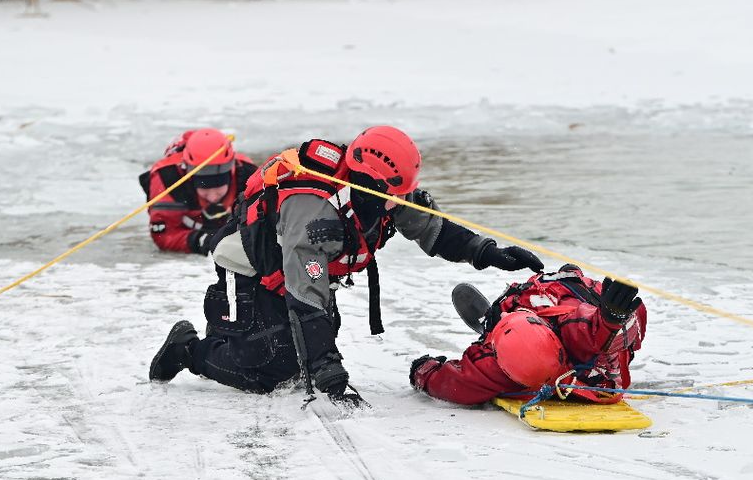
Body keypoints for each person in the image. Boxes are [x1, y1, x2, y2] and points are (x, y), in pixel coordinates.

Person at [148, 125, 545, 402]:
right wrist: (330, 373)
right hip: (252, 268)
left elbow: (432, 229)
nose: (401, 201)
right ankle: (187, 350)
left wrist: (489, 253)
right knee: (268, 366)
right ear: (371, 184)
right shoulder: (316, 214)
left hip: (300, 270)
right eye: (396, 194)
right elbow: (307, 292)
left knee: (301, 355)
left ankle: (287, 356)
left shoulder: (382, 194)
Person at [409, 266, 647, 405]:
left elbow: (452, 383)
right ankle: (498, 319)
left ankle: (493, 322)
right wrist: (611, 320)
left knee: (595, 321)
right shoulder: (573, 329)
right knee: (602, 328)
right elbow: (590, 329)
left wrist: (423, 370)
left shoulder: (492, 366)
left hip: (574, 360)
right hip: (594, 371)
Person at [138, 128, 257, 255]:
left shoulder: (248, 175)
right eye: (204, 188)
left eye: (218, 188)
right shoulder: (167, 179)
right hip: (189, 225)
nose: (212, 197)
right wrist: (199, 240)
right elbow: (163, 236)